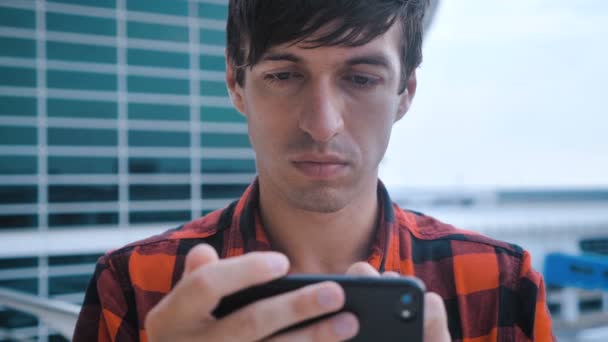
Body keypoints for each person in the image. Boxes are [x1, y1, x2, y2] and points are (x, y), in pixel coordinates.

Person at [74, 0, 555, 341]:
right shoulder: (134, 285)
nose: (322, 125)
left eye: (362, 78)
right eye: (284, 75)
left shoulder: (501, 284)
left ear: (405, 93)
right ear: (235, 84)